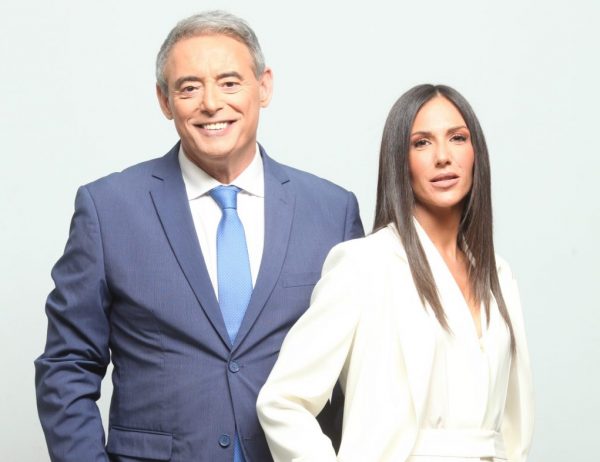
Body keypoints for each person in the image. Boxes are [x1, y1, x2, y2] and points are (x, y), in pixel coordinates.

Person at [35, 10, 363, 462]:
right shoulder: (108, 210)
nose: (211, 103)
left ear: (264, 86)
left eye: (229, 82)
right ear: (164, 100)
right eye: (189, 88)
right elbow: (66, 365)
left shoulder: (331, 212)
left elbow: (360, 374)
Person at [257, 84, 534, 461]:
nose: (443, 157)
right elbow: (282, 401)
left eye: (457, 138)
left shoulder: (498, 275)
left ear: (476, 154)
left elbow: (515, 427)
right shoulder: (365, 264)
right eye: (421, 143)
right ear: (399, 161)